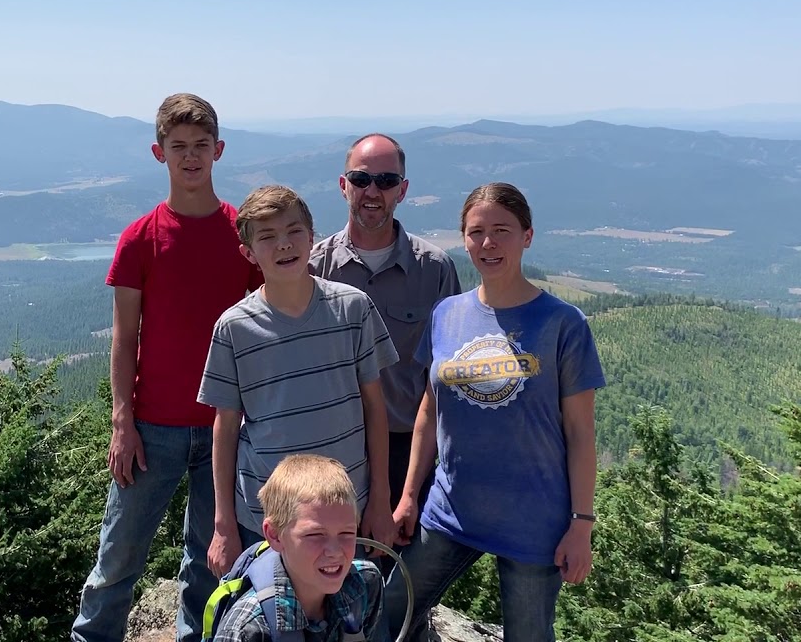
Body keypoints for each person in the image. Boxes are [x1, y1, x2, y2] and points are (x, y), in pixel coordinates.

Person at [72, 93, 262, 642]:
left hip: (226, 426)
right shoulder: (139, 238)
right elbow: (124, 339)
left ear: (219, 150)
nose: (190, 157)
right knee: (118, 557)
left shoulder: (242, 235)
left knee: (210, 563)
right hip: (152, 427)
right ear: (159, 153)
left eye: (201, 146)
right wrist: (121, 423)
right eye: (178, 147)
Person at [380, 182, 606, 642]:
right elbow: (429, 409)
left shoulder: (563, 324)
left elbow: (581, 434)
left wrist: (581, 525)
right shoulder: (447, 313)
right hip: (452, 509)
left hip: (533, 520)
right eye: (476, 231)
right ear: (463, 239)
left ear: (527, 236)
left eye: (502, 230)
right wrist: (407, 497)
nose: (488, 243)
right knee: (390, 615)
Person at [197, 184, 400, 580]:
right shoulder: (233, 328)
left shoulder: (353, 307)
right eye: (267, 237)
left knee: (349, 619)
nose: (283, 245)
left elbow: (376, 408)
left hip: (345, 513)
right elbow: (225, 427)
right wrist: (223, 524)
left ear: (312, 238)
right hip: (266, 519)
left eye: (293, 232)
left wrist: (381, 498)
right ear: (248, 253)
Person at [309, 133, 461, 526]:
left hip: (405, 451)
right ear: (343, 186)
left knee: (396, 576)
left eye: (386, 181)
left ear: (403, 190)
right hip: (330, 449)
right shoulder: (313, 269)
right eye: (361, 180)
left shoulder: (435, 270)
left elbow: (444, 377)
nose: (372, 191)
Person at [207, 454, 384, 642]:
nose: (335, 551)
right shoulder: (246, 629)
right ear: (275, 535)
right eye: (315, 535)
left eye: (347, 533)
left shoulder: (363, 584)